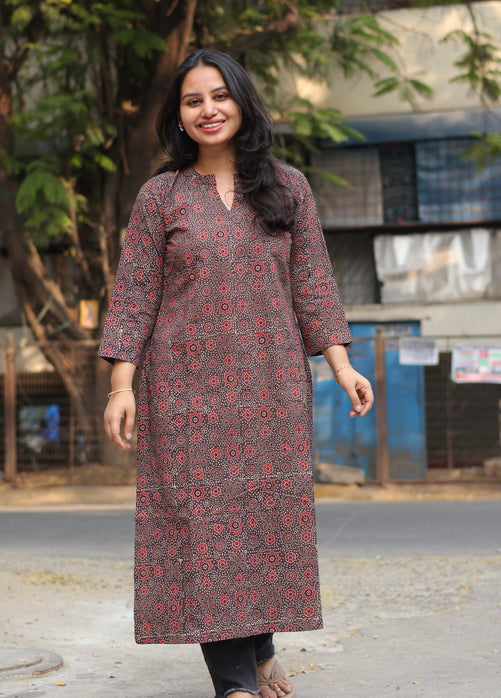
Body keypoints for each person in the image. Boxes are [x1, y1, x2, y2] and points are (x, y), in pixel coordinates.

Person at [99, 48, 373, 698]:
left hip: (272, 388)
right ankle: (234, 683)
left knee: (261, 524)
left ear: (242, 102)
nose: (208, 110)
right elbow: (134, 294)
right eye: (193, 100)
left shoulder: (287, 186)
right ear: (179, 116)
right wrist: (120, 386)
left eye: (219, 95)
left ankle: (262, 651)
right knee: (205, 530)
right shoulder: (161, 196)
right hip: (183, 392)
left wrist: (341, 364)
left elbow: (312, 282)